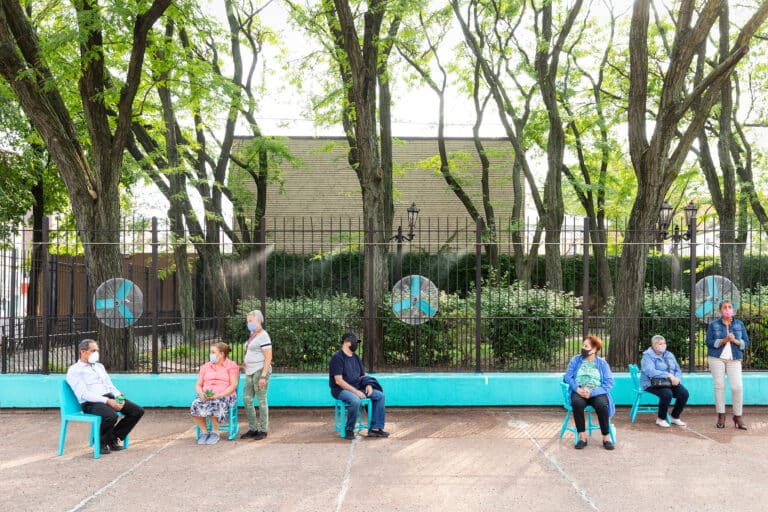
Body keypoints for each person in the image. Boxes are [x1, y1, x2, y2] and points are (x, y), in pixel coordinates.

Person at [66, 339, 144, 454]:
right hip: (90, 402)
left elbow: (109, 385)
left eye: (97, 350)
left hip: (108, 397)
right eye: (93, 351)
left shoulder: (99, 366)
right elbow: (84, 394)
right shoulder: (75, 370)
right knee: (110, 416)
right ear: (83, 352)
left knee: (137, 411)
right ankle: (101, 443)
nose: (96, 353)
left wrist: (118, 396)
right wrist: (107, 401)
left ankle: (113, 437)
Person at [329, 332, 388, 440]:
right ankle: (349, 429)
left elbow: (362, 376)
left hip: (358, 387)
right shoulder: (337, 358)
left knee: (379, 395)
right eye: (355, 342)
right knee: (355, 400)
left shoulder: (356, 357)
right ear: (347, 342)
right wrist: (356, 392)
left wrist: (368, 385)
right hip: (340, 390)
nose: (356, 344)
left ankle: (375, 428)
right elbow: (338, 381)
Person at [563, 335, 615, 450]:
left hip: (596, 392)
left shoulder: (602, 363)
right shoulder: (576, 360)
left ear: (595, 349)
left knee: (602, 405)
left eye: (586, 346)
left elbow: (609, 383)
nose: (583, 348)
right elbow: (568, 376)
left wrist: (592, 392)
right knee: (577, 404)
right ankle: (582, 438)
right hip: (579, 390)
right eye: (583, 345)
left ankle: (606, 438)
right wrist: (577, 389)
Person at [706, 300, 750, 429]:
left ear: (733, 310)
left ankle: (738, 416)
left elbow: (746, 342)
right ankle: (721, 415)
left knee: (737, 387)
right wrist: (724, 340)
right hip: (716, 358)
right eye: (724, 307)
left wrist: (735, 340)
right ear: (720, 310)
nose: (727, 309)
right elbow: (708, 342)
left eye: (729, 307)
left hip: (734, 358)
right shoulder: (713, 324)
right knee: (719, 386)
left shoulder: (739, 324)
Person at [191, 342, 240, 444]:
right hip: (206, 395)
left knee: (215, 403)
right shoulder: (205, 366)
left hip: (225, 396)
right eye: (211, 352)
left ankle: (215, 432)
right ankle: (204, 432)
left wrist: (218, 395)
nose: (211, 354)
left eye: (213, 352)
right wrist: (201, 394)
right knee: (195, 404)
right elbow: (198, 384)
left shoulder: (231, 366)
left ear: (221, 354)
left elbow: (233, 385)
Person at [640, 335, 689, 427]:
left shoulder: (669, 355)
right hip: (651, 383)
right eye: (660, 344)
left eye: (664, 343)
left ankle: (675, 417)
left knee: (684, 393)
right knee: (667, 393)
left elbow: (677, 369)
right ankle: (661, 418)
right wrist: (668, 375)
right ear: (654, 345)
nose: (663, 345)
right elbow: (650, 371)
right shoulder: (647, 356)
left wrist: (677, 379)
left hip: (669, 382)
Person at [240, 310, 272, 440]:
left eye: (250, 321)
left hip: (260, 370)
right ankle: (253, 428)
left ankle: (263, 430)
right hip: (249, 370)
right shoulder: (252, 334)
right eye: (247, 321)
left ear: (258, 321)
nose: (248, 323)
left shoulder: (264, 336)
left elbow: (268, 357)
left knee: (261, 400)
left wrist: (263, 375)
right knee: (247, 399)